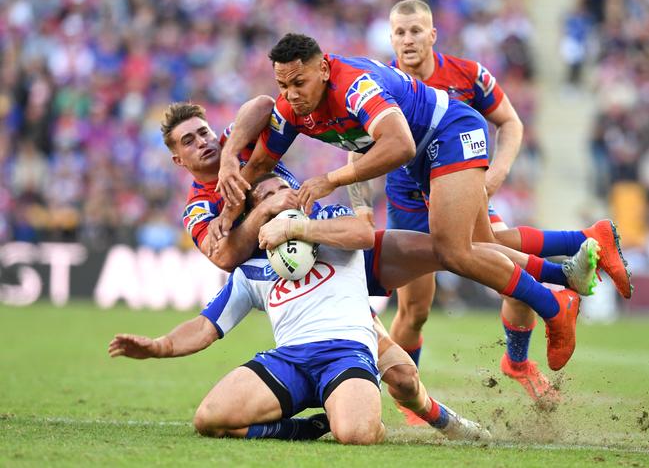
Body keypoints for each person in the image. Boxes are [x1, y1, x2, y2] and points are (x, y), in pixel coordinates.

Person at [215, 33, 632, 374]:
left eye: (299, 83)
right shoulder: (293, 105)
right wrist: (229, 208)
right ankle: (566, 274)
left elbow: (399, 143)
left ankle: (553, 304)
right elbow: (263, 160)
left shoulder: (355, 86)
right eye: (283, 85)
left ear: (322, 69)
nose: (292, 94)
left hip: (450, 131)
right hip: (422, 160)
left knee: (453, 250)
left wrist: (331, 179)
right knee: (479, 245)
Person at [160, 102, 497, 440]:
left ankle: (536, 272)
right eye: (188, 141)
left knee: (446, 253)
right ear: (178, 159)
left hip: (335, 242)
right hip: (297, 270)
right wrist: (265, 213)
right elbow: (224, 257)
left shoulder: (240, 142)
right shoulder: (201, 206)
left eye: (203, 132)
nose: (203, 142)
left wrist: (232, 153)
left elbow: (264, 104)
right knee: (402, 376)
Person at [109, 174, 510, 443]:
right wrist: (159, 346)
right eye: (264, 197)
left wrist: (298, 227)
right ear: (254, 213)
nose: (276, 198)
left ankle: (445, 421)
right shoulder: (251, 269)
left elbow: (363, 233)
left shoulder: (331, 222)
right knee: (209, 419)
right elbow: (205, 326)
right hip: (288, 360)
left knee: (362, 430)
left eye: (283, 189)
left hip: (346, 349)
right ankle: (304, 428)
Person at [346, 0, 544, 417]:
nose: (407, 39)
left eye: (415, 30)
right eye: (399, 32)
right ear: (390, 38)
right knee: (415, 310)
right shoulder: (376, 83)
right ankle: (409, 397)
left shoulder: (469, 75)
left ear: (432, 34)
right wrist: (362, 208)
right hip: (409, 206)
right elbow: (357, 153)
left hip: (462, 196)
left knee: (515, 276)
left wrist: (494, 175)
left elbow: (510, 121)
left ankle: (519, 359)